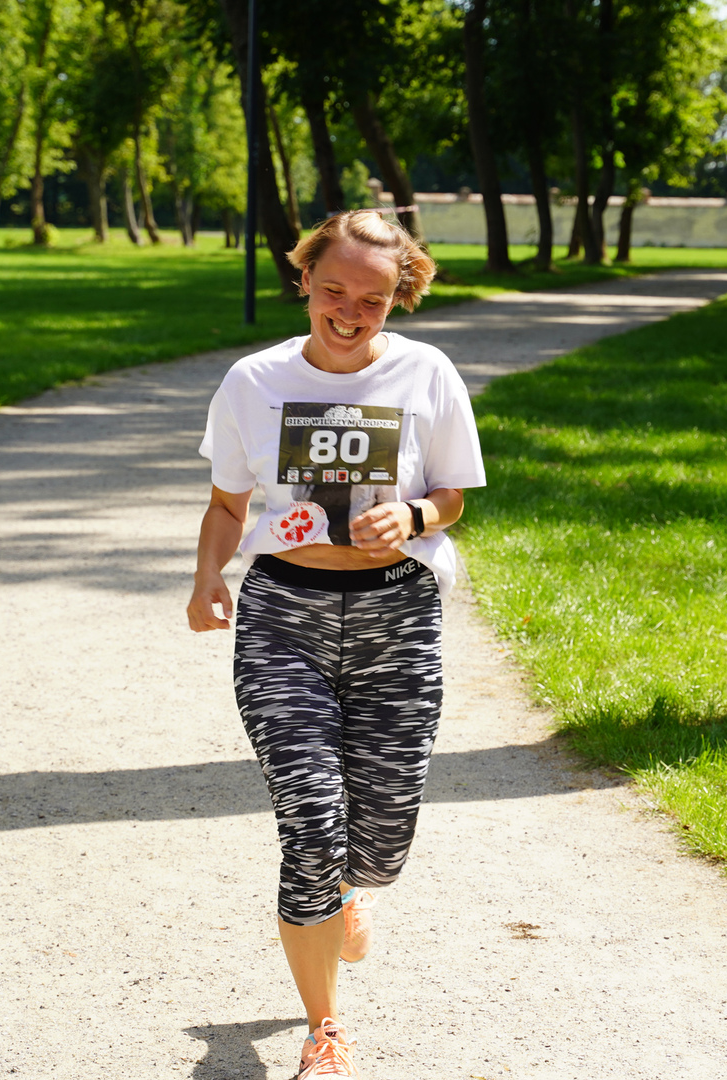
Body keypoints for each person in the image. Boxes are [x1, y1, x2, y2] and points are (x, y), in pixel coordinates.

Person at [187, 209, 487, 1079]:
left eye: (372, 299)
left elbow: (453, 495)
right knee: (311, 826)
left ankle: (354, 888)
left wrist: (415, 514)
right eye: (333, 291)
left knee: (380, 840)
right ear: (304, 279)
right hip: (284, 617)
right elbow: (226, 503)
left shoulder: (426, 373)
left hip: (398, 617)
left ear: (401, 297)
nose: (349, 313)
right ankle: (325, 1028)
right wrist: (207, 577)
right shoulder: (254, 380)